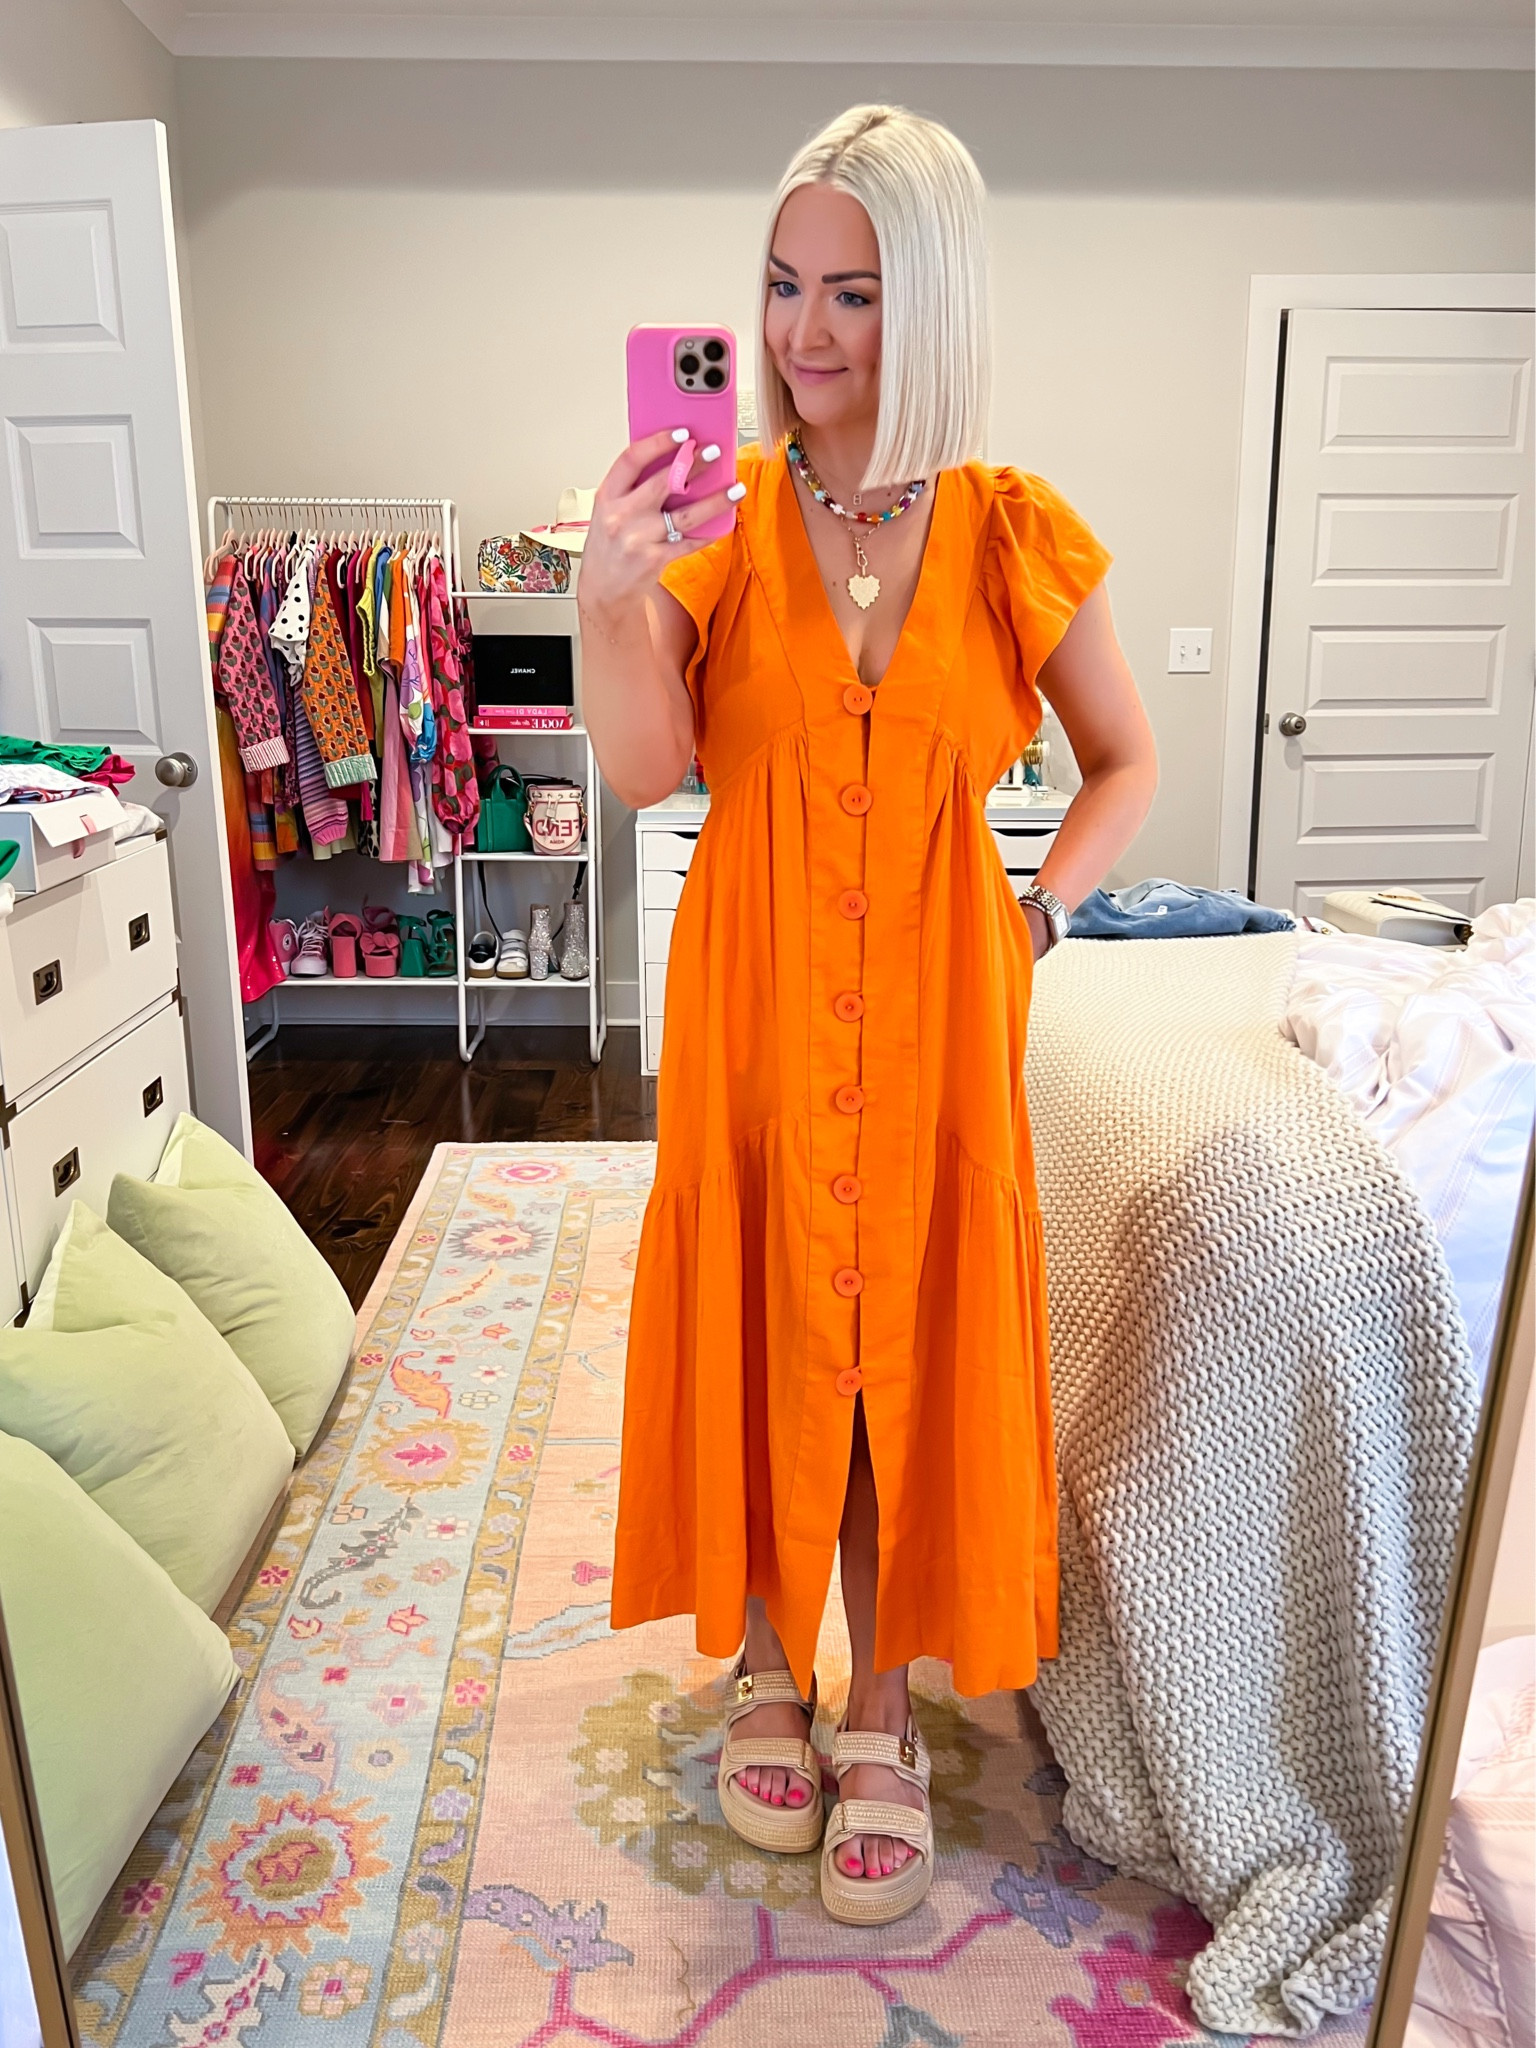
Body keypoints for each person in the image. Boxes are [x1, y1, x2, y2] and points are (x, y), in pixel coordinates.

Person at [578, 103, 1158, 1926]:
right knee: (764, 1309)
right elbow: (649, 765)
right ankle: (769, 1666)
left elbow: (1129, 760)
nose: (803, 334)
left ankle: (886, 1708)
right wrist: (609, 601)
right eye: (780, 287)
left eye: (853, 292)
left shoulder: (1006, 531)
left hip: (937, 1016)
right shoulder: (722, 516)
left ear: (939, 309)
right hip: (752, 1003)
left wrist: (1043, 910)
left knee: (903, 1340)